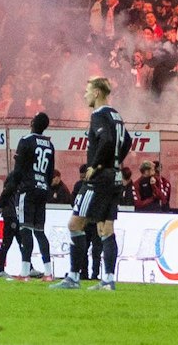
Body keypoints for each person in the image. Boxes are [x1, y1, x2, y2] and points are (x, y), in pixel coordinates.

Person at [54, 77, 131, 291]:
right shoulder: (115, 115)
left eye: (87, 91)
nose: (85, 95)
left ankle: (73, 277)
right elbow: (127, 140)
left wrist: (95, 165)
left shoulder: (98, 115)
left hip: (100, 179)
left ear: (97, 93)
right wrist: (116, 162)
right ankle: (108, 280)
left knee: (75, 224)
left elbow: (106, 140)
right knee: (106, 228)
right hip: (114, 177)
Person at [9, 112, 55, 280]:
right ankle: (48, 272)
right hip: (43, 189)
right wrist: (45, 186)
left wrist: (15, 187)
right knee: (40, 231)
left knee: (25, 229)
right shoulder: (49, 145)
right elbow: (50, 173)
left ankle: (25, 272)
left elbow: (18, 169)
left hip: (28, 190)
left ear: (33, 123)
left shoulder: (26, 141)